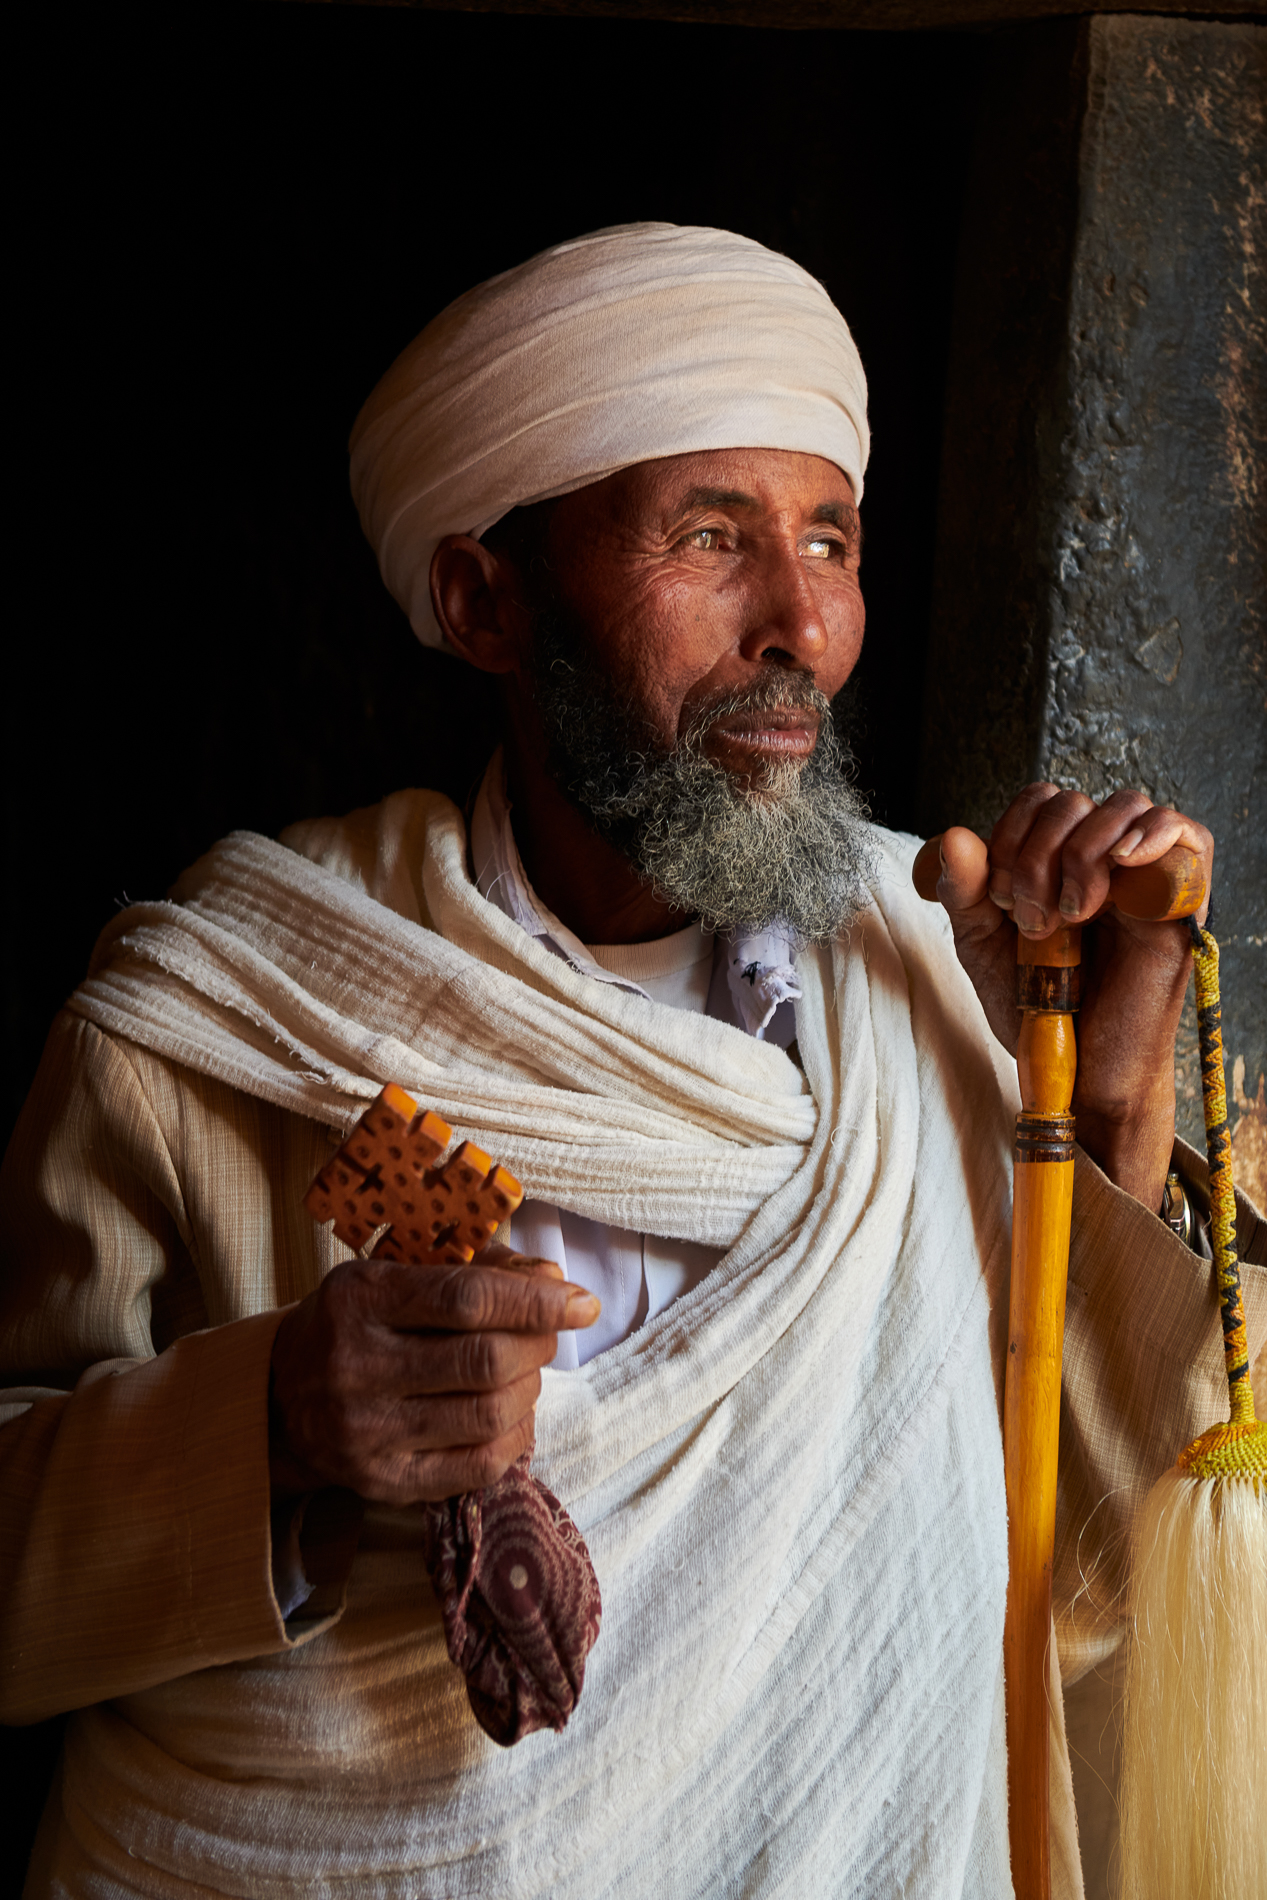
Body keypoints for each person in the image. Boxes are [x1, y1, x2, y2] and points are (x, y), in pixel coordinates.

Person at [2, 223, 1263, 1899]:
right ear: (485, 599)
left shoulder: (953, 971)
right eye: (710, 538)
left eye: (831, 539)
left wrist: (1103, 1108)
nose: (801, 624)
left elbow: (1105, 1589)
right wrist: (277, 1431)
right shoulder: (231, 1014)